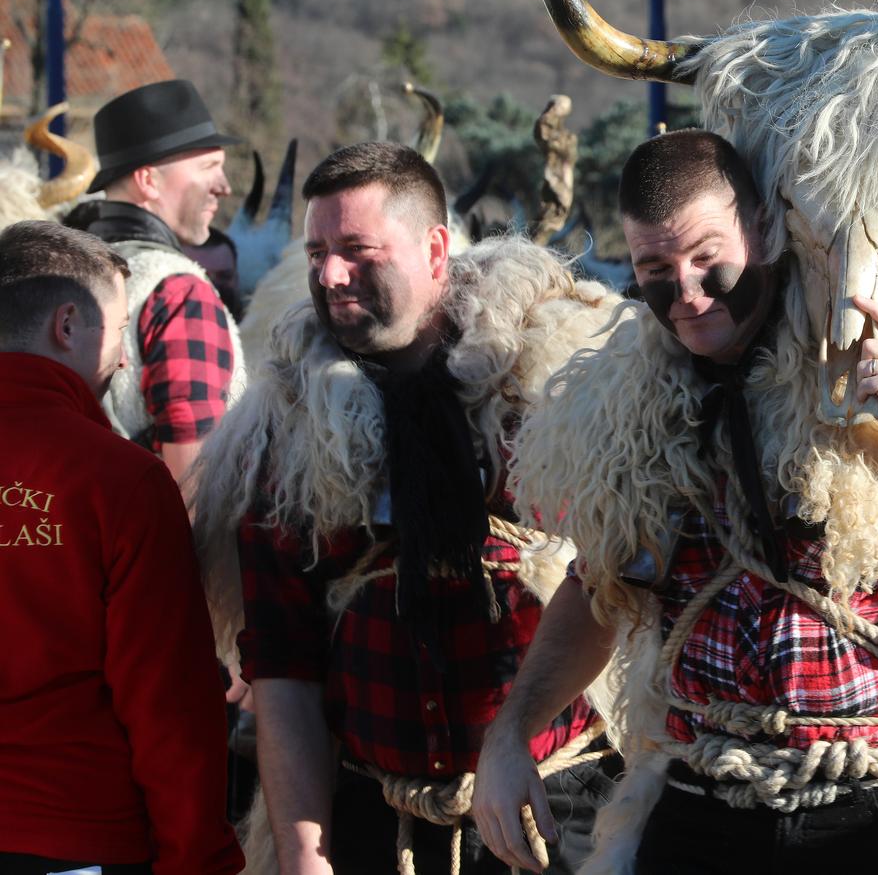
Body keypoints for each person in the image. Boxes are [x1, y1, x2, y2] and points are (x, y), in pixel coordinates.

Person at [471, 130, 878, 872]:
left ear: (762, 229)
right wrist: (509, 736)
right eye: (655, 268)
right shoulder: (632, 398)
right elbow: (601, 585)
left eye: (705, 257)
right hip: (700, 804)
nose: (686, 293)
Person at [188, 142, 619, 875]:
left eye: (357, 249)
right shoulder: (290, 425)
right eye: (317, 250)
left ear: (436, 248)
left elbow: (621, 578)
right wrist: (300, 851)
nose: (328, 274)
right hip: (368, 821)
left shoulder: (553, 386)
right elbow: (283, 661)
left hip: (556, 804)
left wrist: (513, 736)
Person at [0, 220, 241, 875]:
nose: (126, 361)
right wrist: (201, 859)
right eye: (117, 333)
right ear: (67, 324)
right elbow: (168, 703)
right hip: (73, 837)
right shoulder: (120, 479)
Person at [64, 78, 246, 487]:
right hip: (149, 543)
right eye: (208, 168)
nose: (224, 186)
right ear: (148, 181)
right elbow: (194, 489)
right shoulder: (178, 292)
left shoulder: (50, 273)